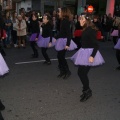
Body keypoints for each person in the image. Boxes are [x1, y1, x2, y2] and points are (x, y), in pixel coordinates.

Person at [71, 14, 105, 102]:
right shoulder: (86, 29)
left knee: (82, 73)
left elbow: (96, 45)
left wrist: (92, 56)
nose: (79, 21)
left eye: (81, 19)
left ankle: (87, 91)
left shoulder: (90, 30)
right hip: (84, 52)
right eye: (79, 19)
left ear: (86, 20)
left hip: (89, 53)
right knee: (81, 73)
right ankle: (86, 90)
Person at [55, 7, 77, 79]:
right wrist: (56, 37)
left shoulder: (65, 21)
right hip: (61, 40)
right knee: (59, 57)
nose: (58, 13)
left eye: (60, 12)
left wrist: (68, 44)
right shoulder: (62, 20)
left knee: (61, 57)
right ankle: (62, 71)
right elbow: (62, 32)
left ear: (63, 12)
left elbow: (68, 34)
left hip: (64, 41)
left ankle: (67, 71)